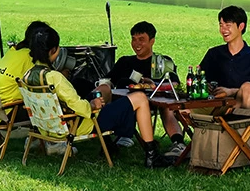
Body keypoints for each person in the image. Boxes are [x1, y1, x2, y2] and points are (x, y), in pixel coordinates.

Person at [25, 25, 167, 169]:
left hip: (48, 126)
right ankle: (151, 155)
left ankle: (109, 145)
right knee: (140, 98)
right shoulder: (55, 77)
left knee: (101, 88)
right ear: (54, 50)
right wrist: (93, 105)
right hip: (81, 124)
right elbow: (78, 106)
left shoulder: (27, 76)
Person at [99, 21, 186, 160]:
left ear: (152, 41)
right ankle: (115, 137)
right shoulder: (125, 62)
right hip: (127, 103)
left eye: (141, 40)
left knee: (167, 107)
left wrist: (154, 85)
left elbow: (175, 83)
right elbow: (107, 81)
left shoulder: (161, 61)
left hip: (155, 101)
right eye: (133, 39)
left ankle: (178, 143)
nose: (136, 44)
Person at [0, 19, 49, 132]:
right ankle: (50, 142)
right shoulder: (31, 58)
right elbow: (44, 85)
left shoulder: (12, 52)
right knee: (48, 104)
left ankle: (37, 140)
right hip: (6, 114)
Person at [199, 5, 250, 109]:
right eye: (221, 25)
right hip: (212, 108)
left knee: (248, 86)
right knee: (176, 110)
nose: (223, 30)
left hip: (239, 109)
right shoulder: (214, 54)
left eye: (228, 25)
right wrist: (205, 85)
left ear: (241, 26)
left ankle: (243, 124)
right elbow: (197, 79)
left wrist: (232, 92)